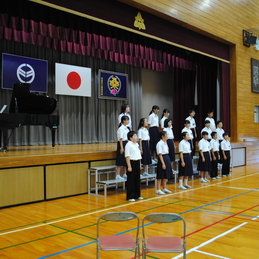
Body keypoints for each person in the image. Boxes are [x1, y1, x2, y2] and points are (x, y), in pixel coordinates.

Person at [125, 131, 143, 201]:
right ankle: (130, 196)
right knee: (131, 180)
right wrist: (129, 166)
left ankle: (137, 195)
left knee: (137, 179)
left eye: (136, 136)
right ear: (130, 138)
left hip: (137, 162)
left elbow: (139, 155)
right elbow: (127, 156)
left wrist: (140, 164)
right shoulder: (128, 145)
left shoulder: (136, 144)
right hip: (131, 162)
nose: (136, 137)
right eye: (135, 136)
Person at [116, 115, 129, 180]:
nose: (128, 121)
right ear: (124, 121)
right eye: (127, 120)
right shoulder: (121, 128)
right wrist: (121, 147)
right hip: (122, 144)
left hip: (126, 143)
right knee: (120, 159)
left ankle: (124, 174)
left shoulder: (126, 128)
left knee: (125, 159)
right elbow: (121, 139)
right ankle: (118, 175)